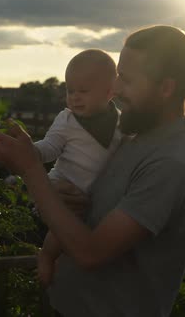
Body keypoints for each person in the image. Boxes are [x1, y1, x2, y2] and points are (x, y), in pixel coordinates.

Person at [0, 25, 185, 316]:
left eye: (126, 80)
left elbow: (91, 253)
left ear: (166, 88)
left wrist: (31, 169)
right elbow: (93, 210)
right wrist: (64, 199)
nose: (115, 88)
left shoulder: (171, 163)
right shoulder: (133, 138)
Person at [33, 49, 122, 285]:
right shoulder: (67, 120)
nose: (74, 98)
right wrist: (31, 152)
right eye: (69, 90)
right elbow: (50, 146)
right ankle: (47, 256)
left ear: (110, 92)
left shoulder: (122, 124)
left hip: (90, 195)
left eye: (83, 91)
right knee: (64, 227)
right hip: (64, 183)